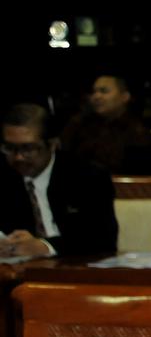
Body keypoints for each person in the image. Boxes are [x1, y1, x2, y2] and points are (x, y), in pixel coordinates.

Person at [0, 103, 118, 257]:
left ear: (53, 144)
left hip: (76, 269)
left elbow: (103, 240)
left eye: (28, 149)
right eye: (10, 148)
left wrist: (45, 246)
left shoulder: (88, 177)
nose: (18, 157)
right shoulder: (5, 176)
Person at [59, 75, 148, 173]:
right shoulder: (80, 123)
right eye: (94, 92)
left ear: (124, 97)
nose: (96, 96)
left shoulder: (136, 131)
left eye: (104, 91)